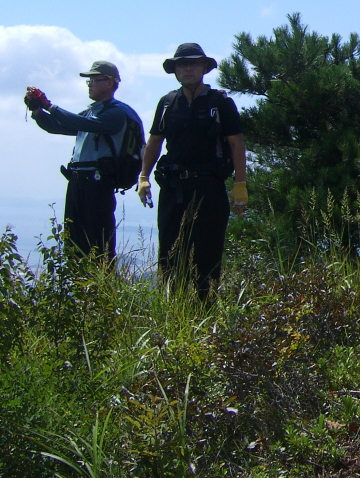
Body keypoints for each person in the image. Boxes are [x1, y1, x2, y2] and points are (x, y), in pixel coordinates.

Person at [137, 44, 247, 299]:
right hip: (174, 187)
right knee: (170, 252)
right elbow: (154, 142)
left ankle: (205, 309)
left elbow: (236, 143)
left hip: (209, 187)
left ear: (204, 68)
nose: (187, 68)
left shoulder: (220, 102)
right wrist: (143, 177)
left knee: (207, 253)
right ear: (175, 71)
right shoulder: (167, 103)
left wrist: (240, 184)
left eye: (194, 63)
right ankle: (174, 307)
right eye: (181, 64)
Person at [26, 61, 137, 260]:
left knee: (96, 241)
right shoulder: (92, 111)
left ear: (110, 82)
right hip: (79, 181)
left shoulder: (116, 112)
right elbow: (59, 126)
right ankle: (79, 283)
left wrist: (49, 105)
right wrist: (37, 111)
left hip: (97, 183)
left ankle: (100, 285)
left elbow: (80, 123)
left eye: (95, 79)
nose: (90, 84)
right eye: (89, 80)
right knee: (74, 240)